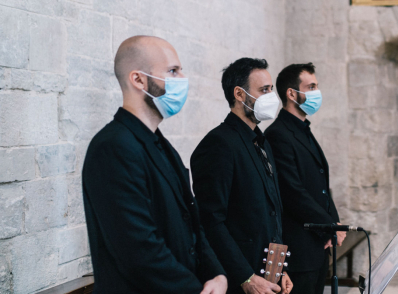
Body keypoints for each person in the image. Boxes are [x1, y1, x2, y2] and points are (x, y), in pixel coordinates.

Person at [82, 36, 228, 294]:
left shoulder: (162, 145)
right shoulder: (112, 148)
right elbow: (138, 251)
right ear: (138, 80)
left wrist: (216, 274)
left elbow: (193, 223)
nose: (183, 78)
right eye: (173, 71)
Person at [191, 58, 293, 294]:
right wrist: (245, 277)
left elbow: (272, 213)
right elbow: (211, 221)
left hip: (269, 276)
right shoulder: (219, 144)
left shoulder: (262, 142)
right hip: (239, 281)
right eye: (264, 90)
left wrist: (280, 269)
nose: (272, 97)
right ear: (239, 93)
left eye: (271, 89)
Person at [265, 63, 344, 294]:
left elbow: (321, 186)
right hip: (298, 249)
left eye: (316, 86)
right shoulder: (278, 134)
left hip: (318, 244)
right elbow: (292, 192)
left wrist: (335, 224)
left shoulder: (303, 129)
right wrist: (329, 226)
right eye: (311, 87)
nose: (316, 92)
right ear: (291, 93)